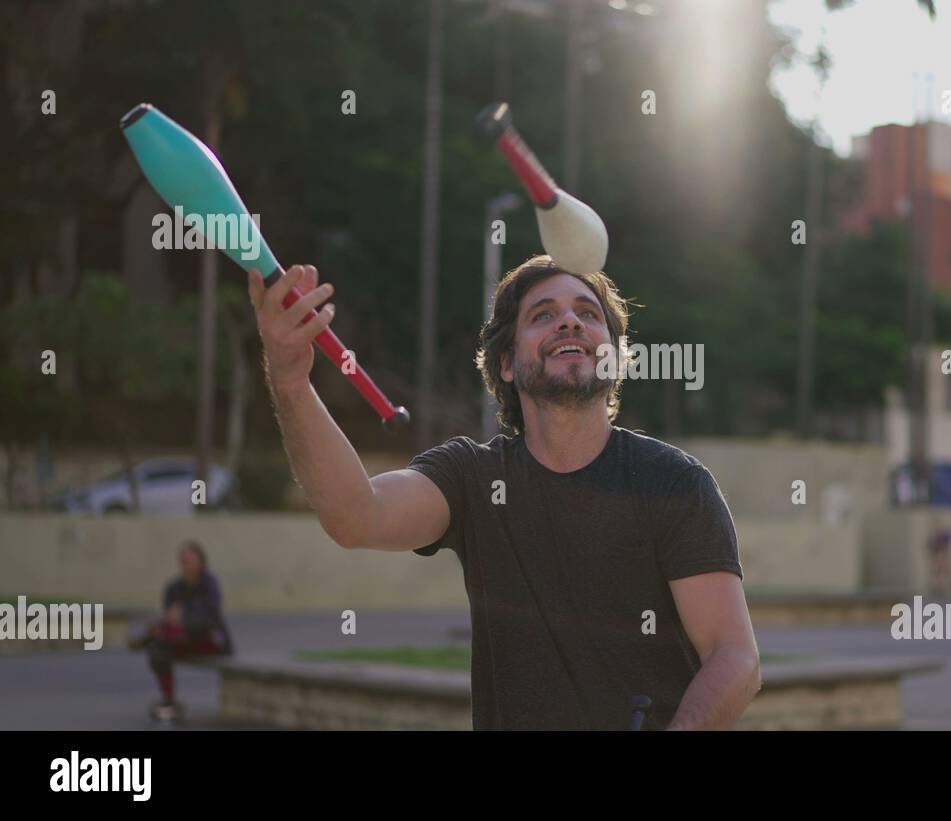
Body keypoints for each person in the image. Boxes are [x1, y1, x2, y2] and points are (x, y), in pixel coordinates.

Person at [247, 257, 761, 730]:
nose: (571, 322)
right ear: (507, 364)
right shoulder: (471, 478)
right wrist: (292, 383)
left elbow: (734, 657)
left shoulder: (675, 483)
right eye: (543, 314)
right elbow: (357, 517)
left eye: (588, 312)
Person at [130, 540, 233, 722]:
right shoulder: (174, 587)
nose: (186, 566)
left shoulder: (209, 584)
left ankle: (149, 638)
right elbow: (170, 615)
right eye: (183, 562)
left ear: (201, 563)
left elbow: (208, 615)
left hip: (210, 640)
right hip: (182, 639)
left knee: (183, 628)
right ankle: (169, 700)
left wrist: (182, 616)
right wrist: (167, 621)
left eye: (190, 561)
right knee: (158, 650)